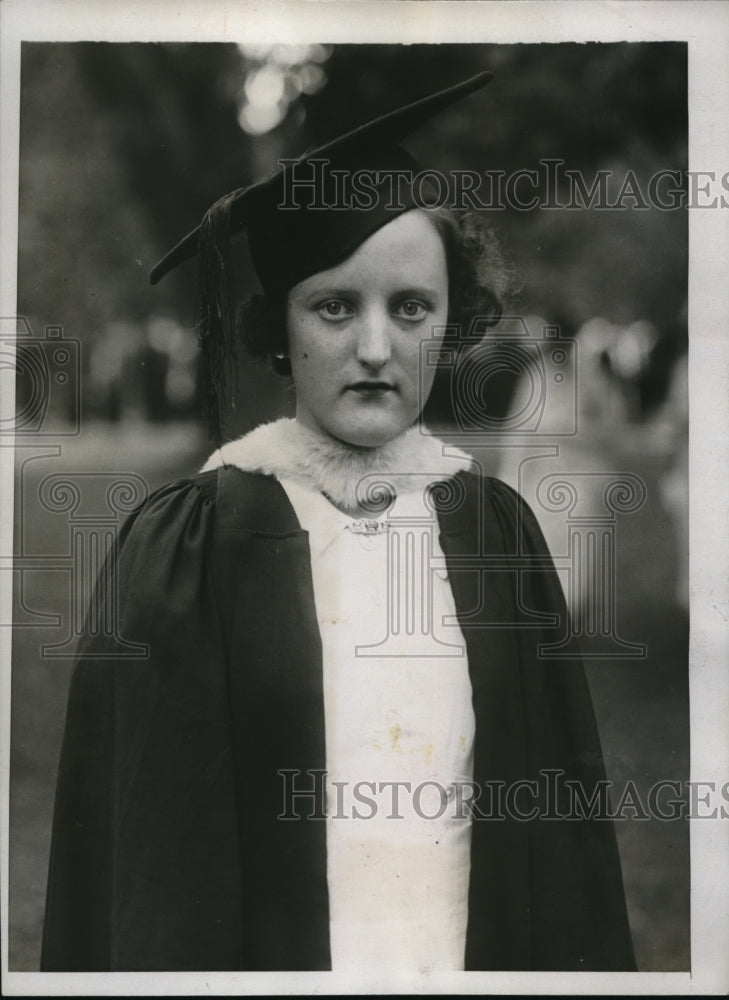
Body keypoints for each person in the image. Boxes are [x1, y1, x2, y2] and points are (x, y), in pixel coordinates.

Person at [41, 71, 636, 974]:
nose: (372, 347)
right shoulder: (189, 545)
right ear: (279, 330)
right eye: (332, 306)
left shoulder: (493, 531)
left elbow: (561, 860)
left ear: (450, 322)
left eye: (410, 308)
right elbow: (147, 873)